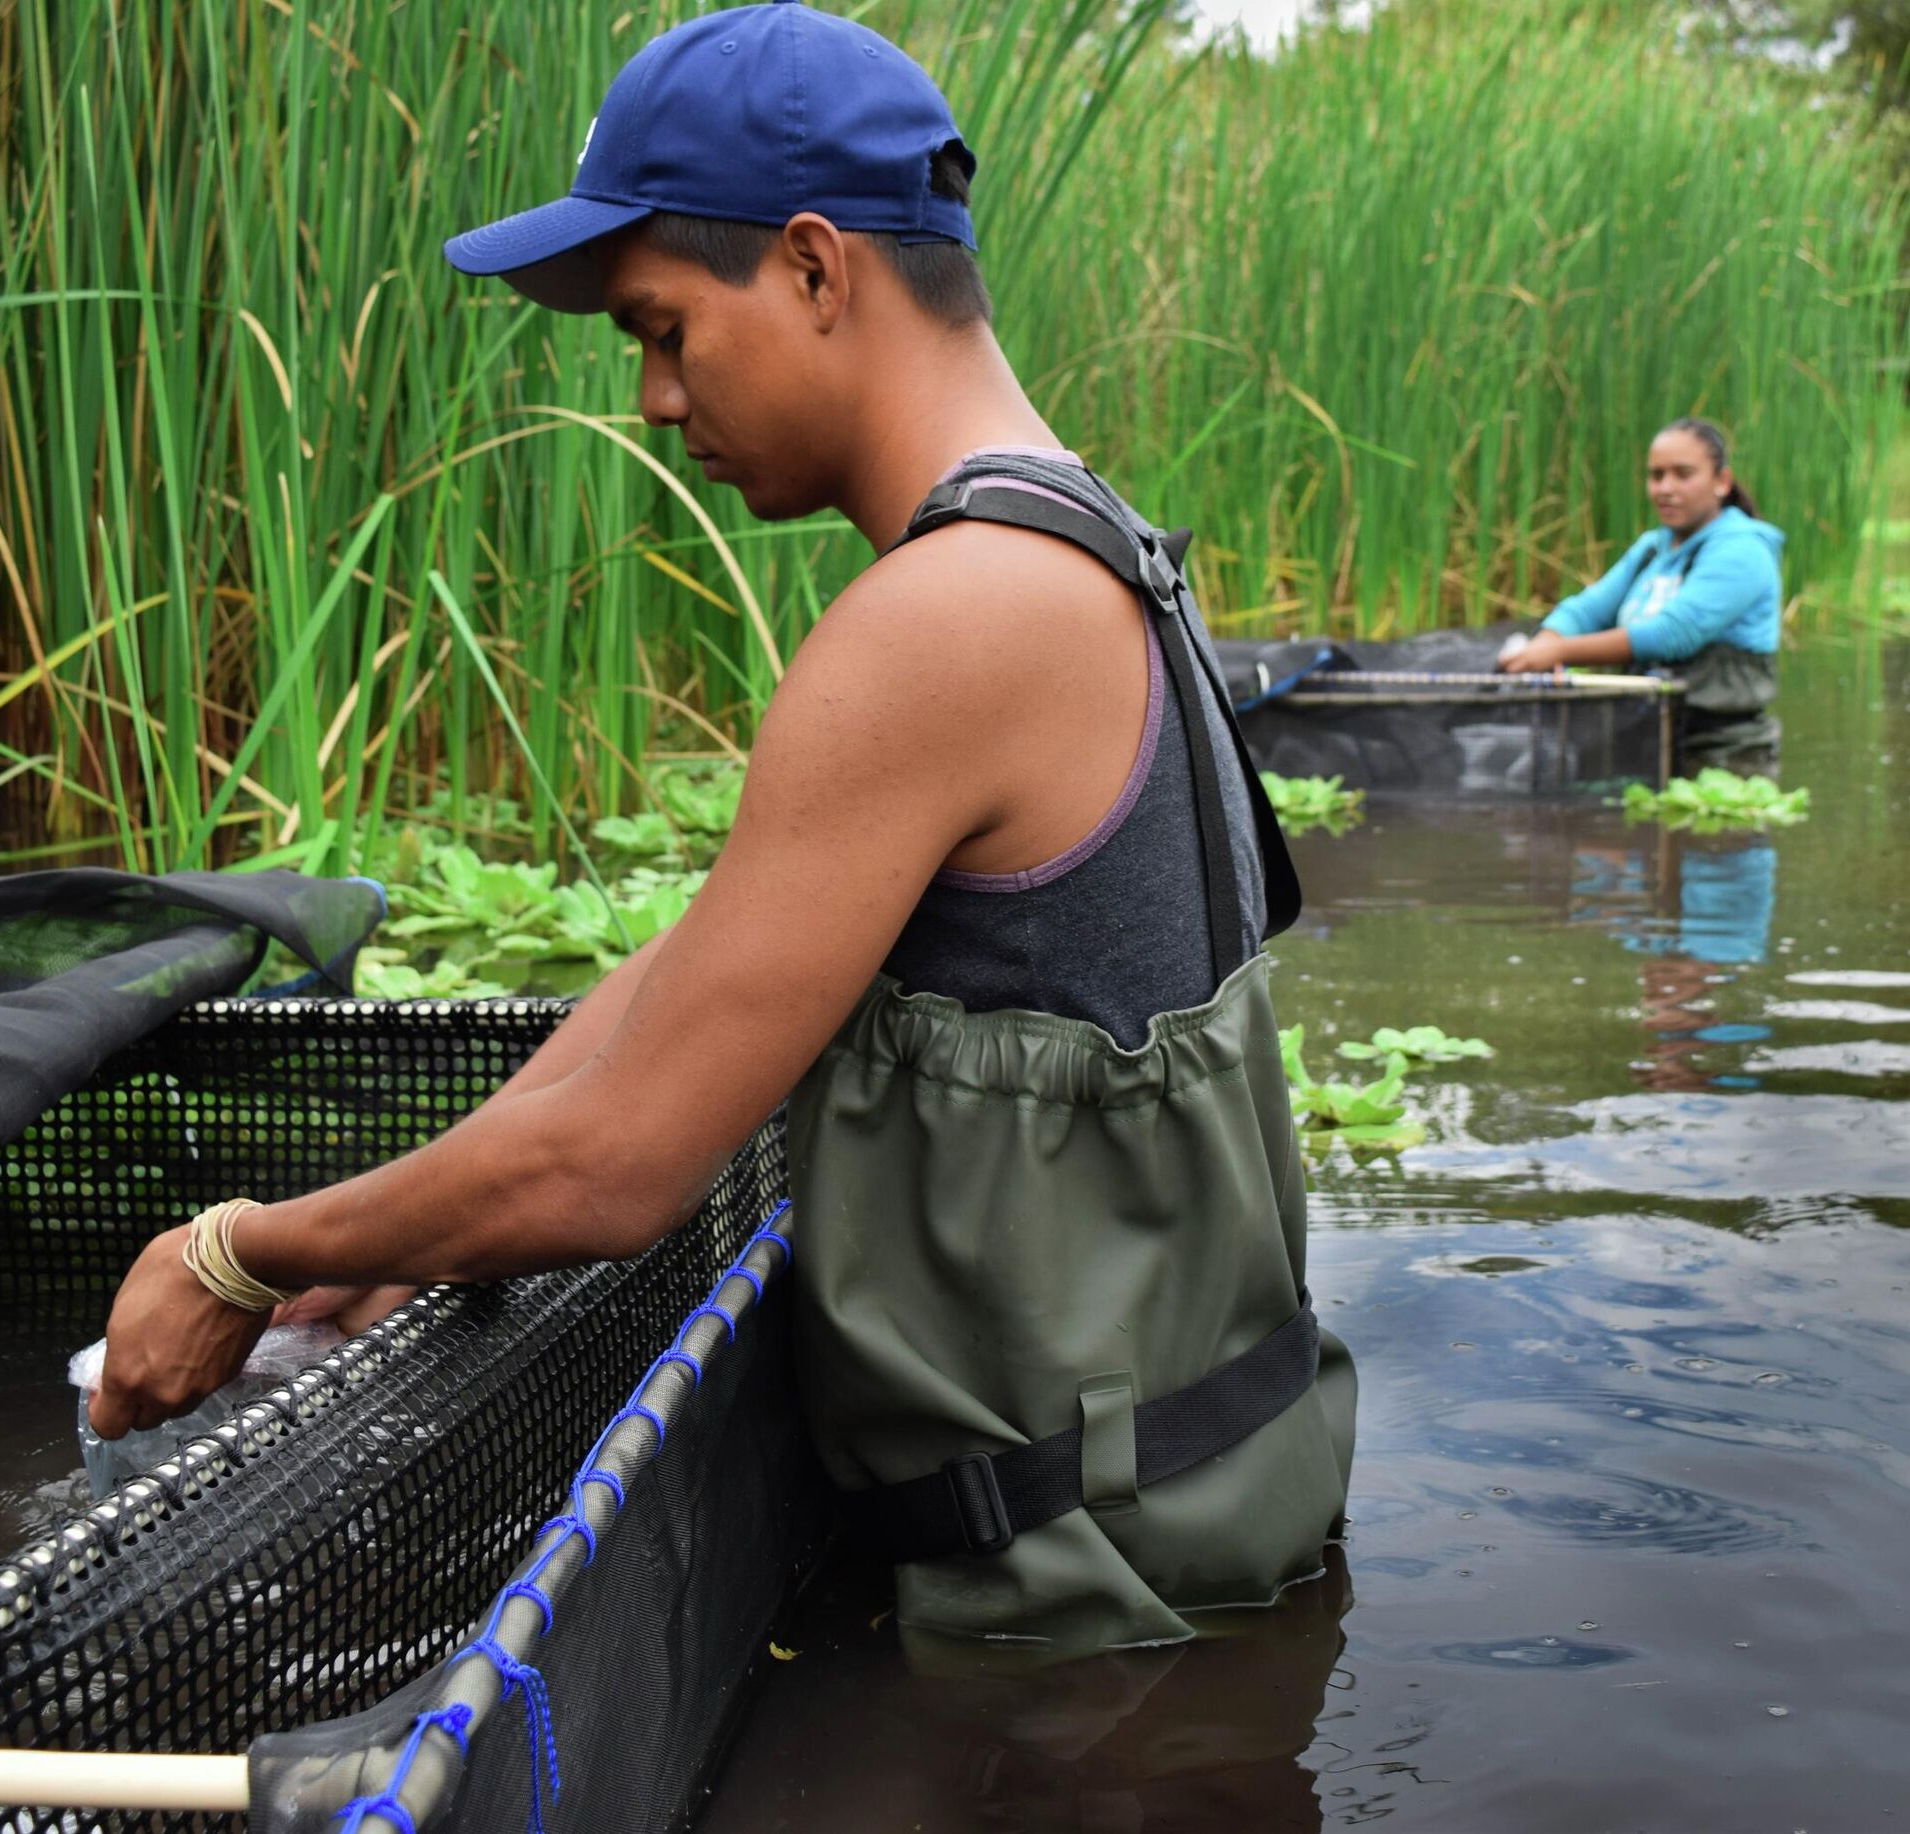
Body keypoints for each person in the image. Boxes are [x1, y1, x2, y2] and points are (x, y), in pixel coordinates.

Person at [88, 1, 1354, 1657]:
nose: (658, 401)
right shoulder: (1098, 543)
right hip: (1202, 1518)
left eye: (667, 327)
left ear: (820, 269)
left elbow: (618, 1165)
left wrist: (239, 1252)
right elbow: (693, 974)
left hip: (1087, 1616)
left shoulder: (945, 616)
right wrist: (405, 1221)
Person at [1501, 418, 1786, 759]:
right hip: (1648, 740)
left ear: (1722, 482)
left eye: (1683, 474)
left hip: (1723, 750)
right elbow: (1589, 609)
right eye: (1656, 475)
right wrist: (1548, 639)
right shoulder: (1652, 548)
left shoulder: (1743, 551)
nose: (1665, 488)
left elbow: (1673, 633)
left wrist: (1560, 653)